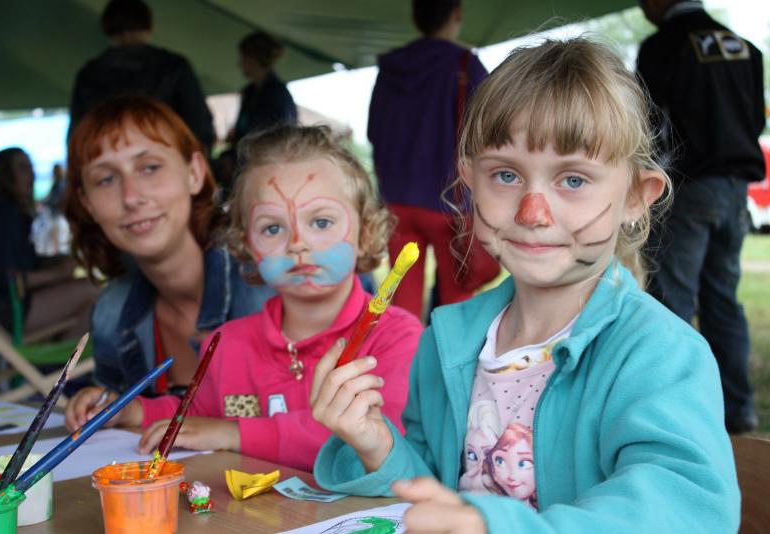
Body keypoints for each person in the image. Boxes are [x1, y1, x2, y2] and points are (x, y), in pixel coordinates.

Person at [310, 38, 739, 532]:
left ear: (636, 198)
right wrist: (375, 444)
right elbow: (431, 501)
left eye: (573, 180)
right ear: (469, 180)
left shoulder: (660, 354)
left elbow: (685, 511)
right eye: (507, 174)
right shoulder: (448, 340)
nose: (531, 213)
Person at [68, 124, 423, 472]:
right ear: (246, 244)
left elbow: (383, 440)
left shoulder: (396, 339)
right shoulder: (227, 344)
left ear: (366, 232)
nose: (297, 243)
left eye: (321, 222)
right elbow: (198, 417)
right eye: (272, 228)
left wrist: (235, 433)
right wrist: (132, 411)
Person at [62, 96, 273, 421]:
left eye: (150, 168)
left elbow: (300, 422)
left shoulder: (269, 283)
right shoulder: (112, 313)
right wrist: (105, 408)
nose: (131, 197)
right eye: (106, 179)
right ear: (88, 203)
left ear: (195, 172)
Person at [637, 0, 765, 435]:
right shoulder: (745, 48)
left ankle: (674, 413)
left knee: (672, 303)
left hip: (688, 188)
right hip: (735, 190)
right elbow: (753, 120)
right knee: (722, 301)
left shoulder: (663, 46)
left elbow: (648, 126)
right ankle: (737, 410)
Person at [367, 0, 492, 320]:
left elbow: (373, 130)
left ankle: (403, 367)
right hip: (450, 201)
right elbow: (491, 131)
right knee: (457, 305)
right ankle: (449, 369)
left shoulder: (391, 67)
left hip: (397, 202)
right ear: (457, 13)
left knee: (402, 307)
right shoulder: (465, 65)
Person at [0, 148, 95, 338]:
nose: (32, 174)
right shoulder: (2, 216)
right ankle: (59, 363)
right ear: (5, 175)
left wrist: (54, 262)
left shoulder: (0, 209)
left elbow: (18, 261)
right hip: (2, 311)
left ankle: (59, 354)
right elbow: (8, 279)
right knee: (94, 291)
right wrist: (57, 273)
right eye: (23, 168)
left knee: (86, 286)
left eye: (31, 167)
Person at [68, 0, 215, 152]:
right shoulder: (173, 66)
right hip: (167, 154)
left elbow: (78, 133)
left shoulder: (90, 74)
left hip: (111, 157)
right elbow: (199, 123)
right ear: (149, 26)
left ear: (106, 27)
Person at [214, 31, 297, 195]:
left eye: (243, 58)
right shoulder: (251, 92)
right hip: (245, 167)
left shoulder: (276, 94)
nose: (240, 63)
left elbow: (279, 141)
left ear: (254, 58)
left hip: (265, 170)